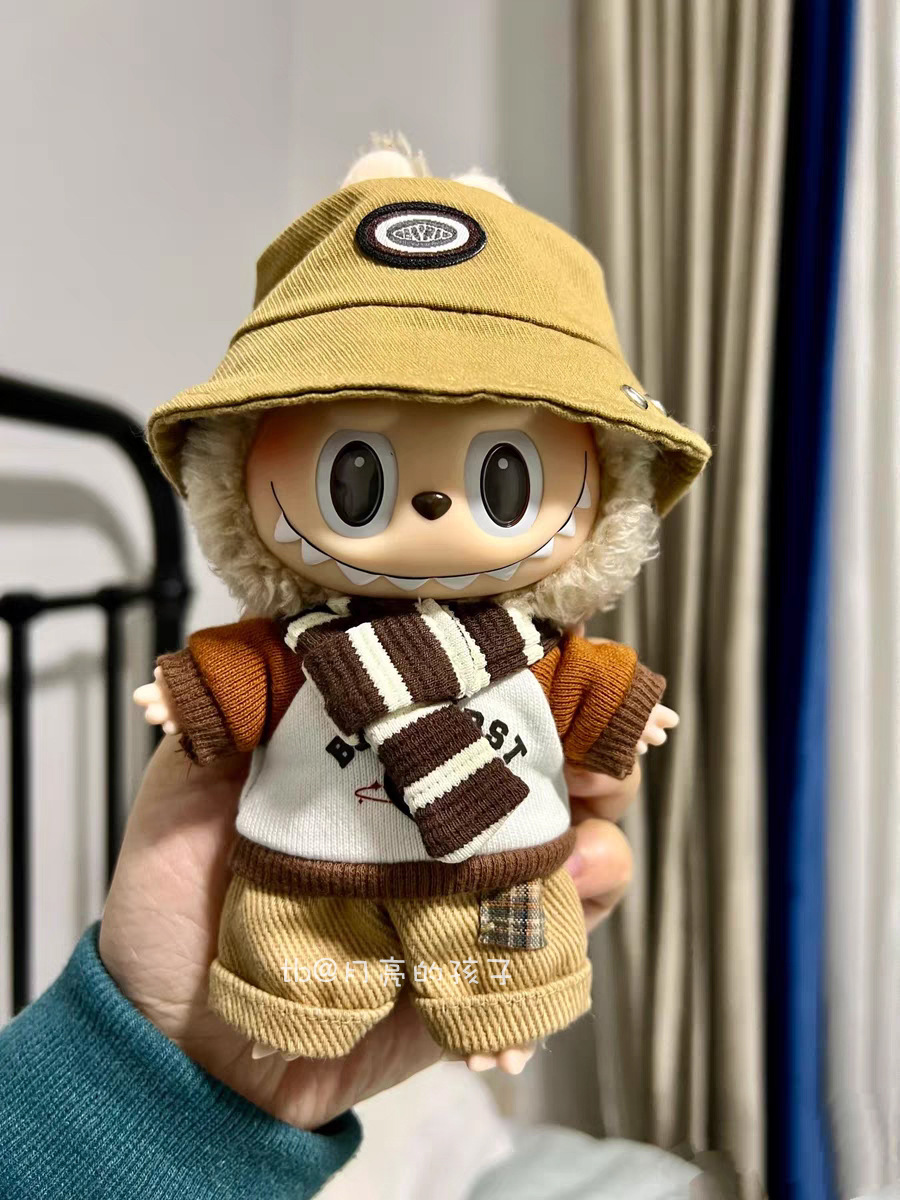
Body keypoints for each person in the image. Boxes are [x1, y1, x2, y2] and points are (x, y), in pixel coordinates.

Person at [0, 731, 640, 1199]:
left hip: (487, 867)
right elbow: (239, 674)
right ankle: (297, 1008)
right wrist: (200, 689)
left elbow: (594, 692)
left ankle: (502, 1011)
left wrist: (617, 709)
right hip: (326, 870)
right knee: (307, 933)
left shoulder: (528, 650)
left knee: (507, 935)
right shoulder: (311, 649)